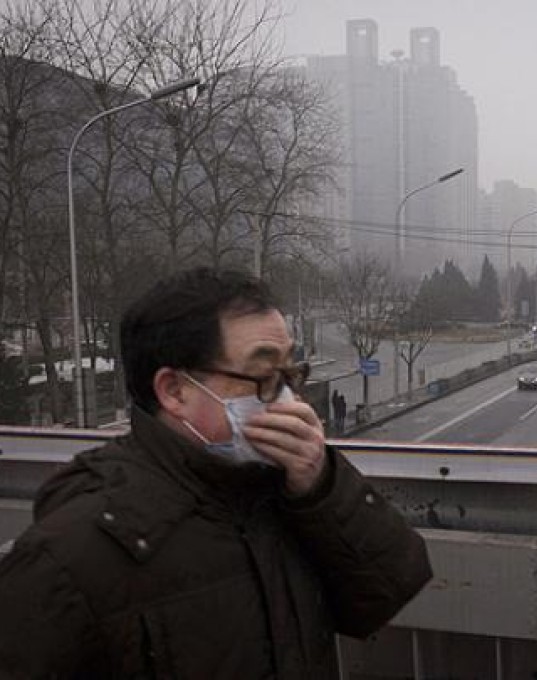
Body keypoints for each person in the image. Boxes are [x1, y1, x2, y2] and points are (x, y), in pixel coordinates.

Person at [0, 267, 432, 677]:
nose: (286, 399)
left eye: (289, 373)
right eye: (262, 375)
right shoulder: (70, 553)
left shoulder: (283, 492)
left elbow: (388, 591)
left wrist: (321, 485)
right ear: (174, 391)